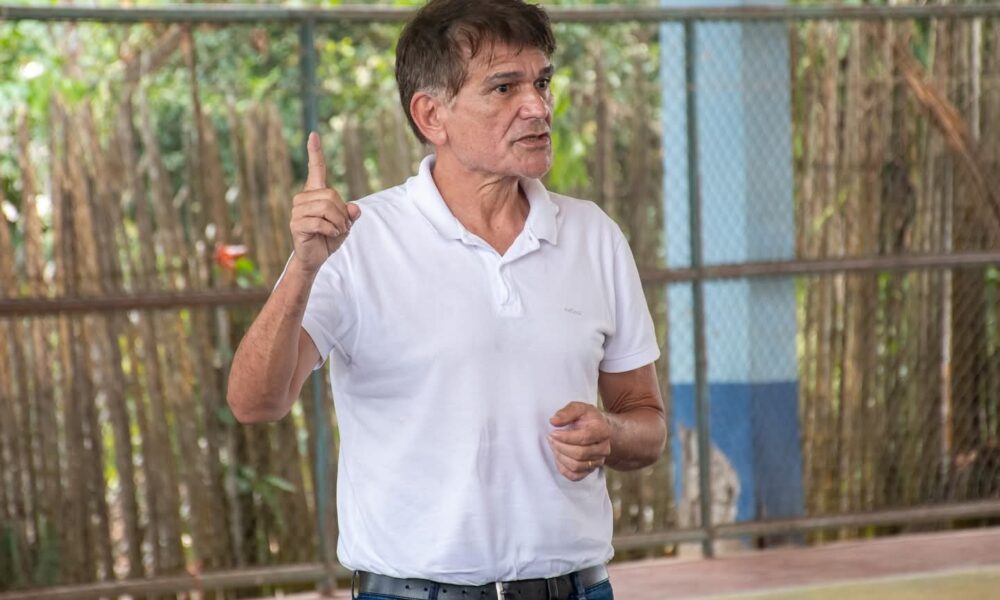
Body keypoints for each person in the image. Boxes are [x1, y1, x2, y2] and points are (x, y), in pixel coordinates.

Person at [227, 1, 666, 598]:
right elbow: (255, 402)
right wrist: (303, 268)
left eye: (541, 82)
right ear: (432, 115)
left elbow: (646, 422)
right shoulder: (357, 241)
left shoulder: (594, 236)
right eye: (504, 88)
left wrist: (610, 433)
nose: (537, 107)